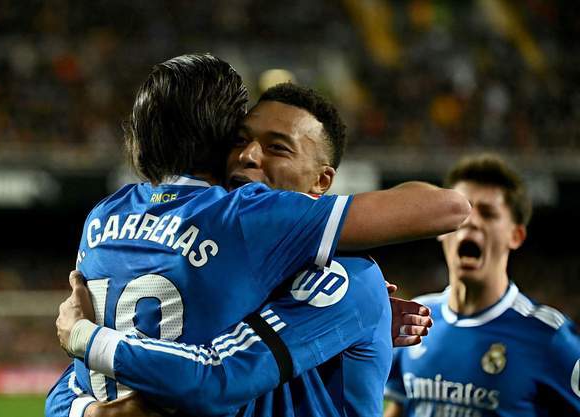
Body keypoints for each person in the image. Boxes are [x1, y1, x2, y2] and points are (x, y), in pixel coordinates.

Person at [46, 54, 468, 415]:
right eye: (240, 140)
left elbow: (216, 378)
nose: (249, 156)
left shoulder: (344, 275)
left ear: (321, 183)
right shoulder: (231, 263)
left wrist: (85, 340)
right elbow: (79, 379)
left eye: (277, 148)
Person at [384, 154, 580, 417]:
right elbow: (399, 407)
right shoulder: (415, 318)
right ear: (441, 228)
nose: (472, 221)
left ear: (515, 235)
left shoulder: (549, 336)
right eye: (461, 212)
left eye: (488, 214)